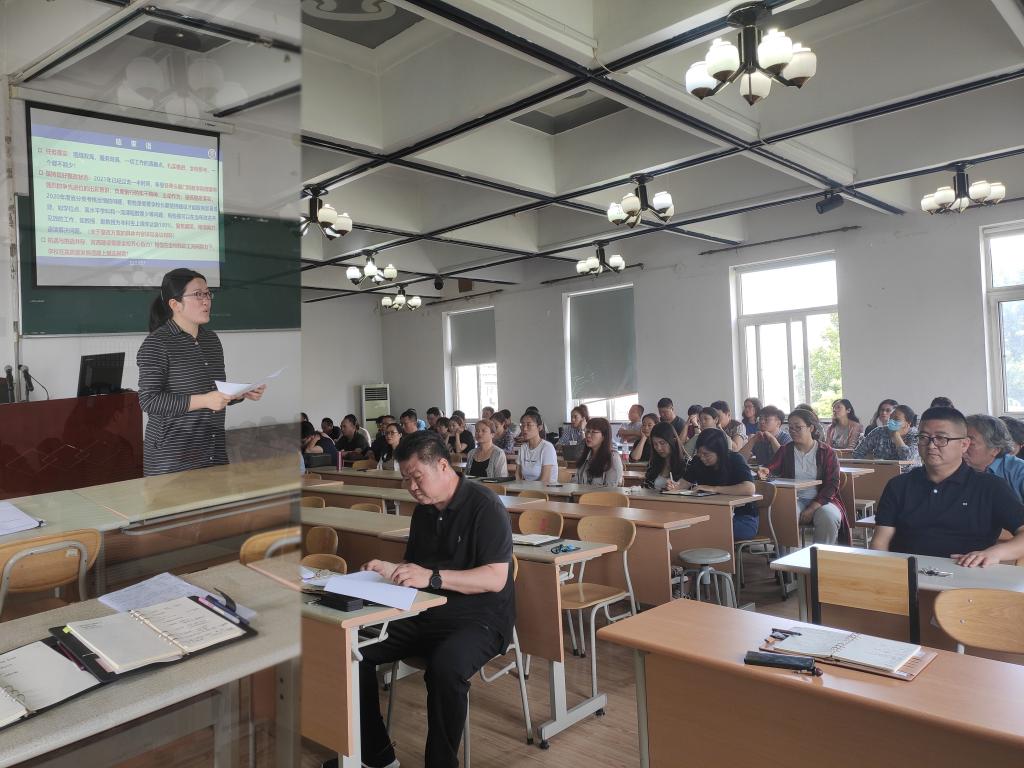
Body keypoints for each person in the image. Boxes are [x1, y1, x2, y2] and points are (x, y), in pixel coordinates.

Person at [359, 431, 514, 768]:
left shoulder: (485, 507)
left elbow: (495, 578)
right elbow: (417, 567)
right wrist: (393, 570)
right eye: (406, 480)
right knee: (354, 649)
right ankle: (375, 756)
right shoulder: (424, 511)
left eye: (417, 477)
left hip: (481, 619)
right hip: (426, 611)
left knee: (446, 668)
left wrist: (432, 578)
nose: (412, 487)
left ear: (443, 465)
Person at [137, 268, 264, 476]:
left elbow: (213, 392)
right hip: (173, 459)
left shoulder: (211, 340)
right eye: (198, 294)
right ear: (175, 304)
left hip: (213, 451)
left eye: (207, 293)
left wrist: (239, 393)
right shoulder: (157, 344)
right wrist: (205, 400)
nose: (206, 301)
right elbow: (149, 401)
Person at [873, 407, 1024, 565]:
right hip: (907, 573)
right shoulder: (899, 485)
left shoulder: (990, 487)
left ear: (964, 444)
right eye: (923, 437)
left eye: (941, 438)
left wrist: (994, 553)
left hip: (968, 574)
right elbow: (880, 543)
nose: (931, 445)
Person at [757, 409, 850, 545]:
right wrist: (765, 471)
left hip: (823, 500)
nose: (793, 431)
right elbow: (770, 468)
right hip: (793, 499)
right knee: (784, 514)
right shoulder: (785, 450)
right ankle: (785, 556)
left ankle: (820, 555)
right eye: (790, 428)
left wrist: (812, 508)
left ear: (811, 428)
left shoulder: (826, 452)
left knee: (828, 516)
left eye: (798, 427)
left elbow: (832, 484)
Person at [672, 428, 758, 540]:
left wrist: (714, 489)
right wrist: (673, 486)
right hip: (710, 515)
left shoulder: (735, 459)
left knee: (710, 529)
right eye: (699, 453)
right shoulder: (697, 461)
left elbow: (749, 488)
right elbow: (683, 483)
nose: (702, 458)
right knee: (691, 528)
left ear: (720, 451)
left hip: (743, 517)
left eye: (706, 454)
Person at [965, 414, 1024, 502]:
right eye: (960, 441)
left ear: (995, 450)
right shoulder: (953, 467)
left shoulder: (1019, 471)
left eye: (970, 444)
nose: (962, 448)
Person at [853, 403, 919, 464]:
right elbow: (858, 453)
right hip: (881, 471)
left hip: (908, 472)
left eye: (896, 419)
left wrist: (896, 436)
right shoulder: (879, 432)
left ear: (908, 424)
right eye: (891, 417)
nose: (891, 420)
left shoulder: (916, 435)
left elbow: (907, 460)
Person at [575, 418, 623, 487]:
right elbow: (576, 480)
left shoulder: (613, 458)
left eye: (593, 432)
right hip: (581, 493)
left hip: (602, 494)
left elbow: (611, 489)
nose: (588, 435)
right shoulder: (585, 456)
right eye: (587, 431)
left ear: (603, 436)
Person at [643, 422, 688, 490]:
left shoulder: (687, 464)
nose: (658, 448)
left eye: (662, 443)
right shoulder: (653, 463)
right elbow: (646, 486)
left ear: (673, 441)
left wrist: (676, 488)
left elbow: (692, 490)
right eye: (655, 444)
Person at [516, 410, 557, 483]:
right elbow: (517, 475)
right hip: (526, 488)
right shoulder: (523, 448)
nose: (524, 428)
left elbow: (545, 480)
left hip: (546, 489)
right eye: (522, 425)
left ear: (539, 427)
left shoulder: (547, 448)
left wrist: (526, 488)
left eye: (529, 425)